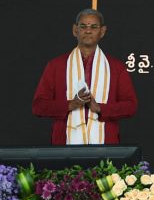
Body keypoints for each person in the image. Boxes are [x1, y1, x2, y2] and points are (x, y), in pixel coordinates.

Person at [33, 9, 138, 144]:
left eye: (94, 27)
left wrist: (100, 108)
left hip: (106, 142)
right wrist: (70, 104)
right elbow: (38, 106)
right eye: (83, 26)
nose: (88, 31)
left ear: (103, 31)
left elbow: (130, 106)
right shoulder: (56, 65)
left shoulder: (116, 67)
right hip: (64, 143)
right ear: (75, 30)